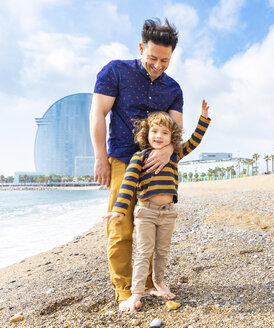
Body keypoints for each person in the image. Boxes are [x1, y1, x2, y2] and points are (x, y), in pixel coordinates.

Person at [89, 18, 183, 307]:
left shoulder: (173, 89)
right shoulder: (115, 71)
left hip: (156, 165)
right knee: (120, 226)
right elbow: (97, 113)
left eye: (165, 60)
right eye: (152, 57)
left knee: (151, 226)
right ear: (142, 47)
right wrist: (100, 159)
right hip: (120, 160)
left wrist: (168, 152)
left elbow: (177, 133)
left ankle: (147, 284)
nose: (158, 65)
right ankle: (123, 289)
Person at [102, 101, 211, 312]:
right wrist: (118, 209)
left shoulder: (174, 154)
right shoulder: (139, 158)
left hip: (168, 213)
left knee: (162, 251)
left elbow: (195, 141)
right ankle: (135, 293)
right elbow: (127, 186)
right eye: (154, 131)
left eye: (164, 133)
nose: (158, 136)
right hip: (146, 212)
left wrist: (204, 118)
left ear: (172, 138)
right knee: (143, 252)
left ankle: (158, 282)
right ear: (147, 133)